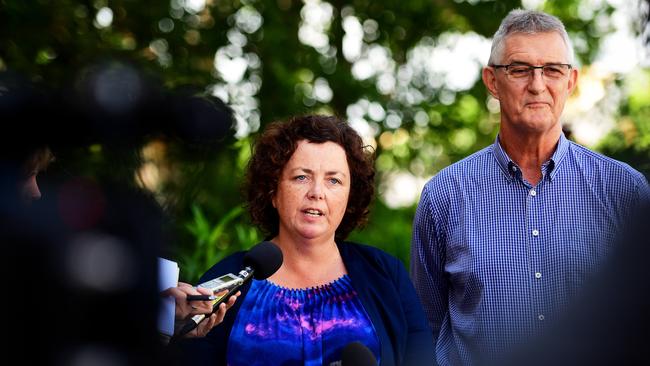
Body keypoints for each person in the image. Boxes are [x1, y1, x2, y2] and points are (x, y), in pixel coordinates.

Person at [410, 9, 650, 366]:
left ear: (571, 81)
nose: (537, 85)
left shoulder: (625, 191)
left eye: (552, 69)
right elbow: (424, 328)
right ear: (492, 81)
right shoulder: (444, 196)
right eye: (520, 69)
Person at [182, 115, 433, 366]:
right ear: (273, 191)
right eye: (301, 177)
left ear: (350, 196)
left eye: (333, 180)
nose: (317, 193)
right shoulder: (226, 280)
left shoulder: (387, 275)